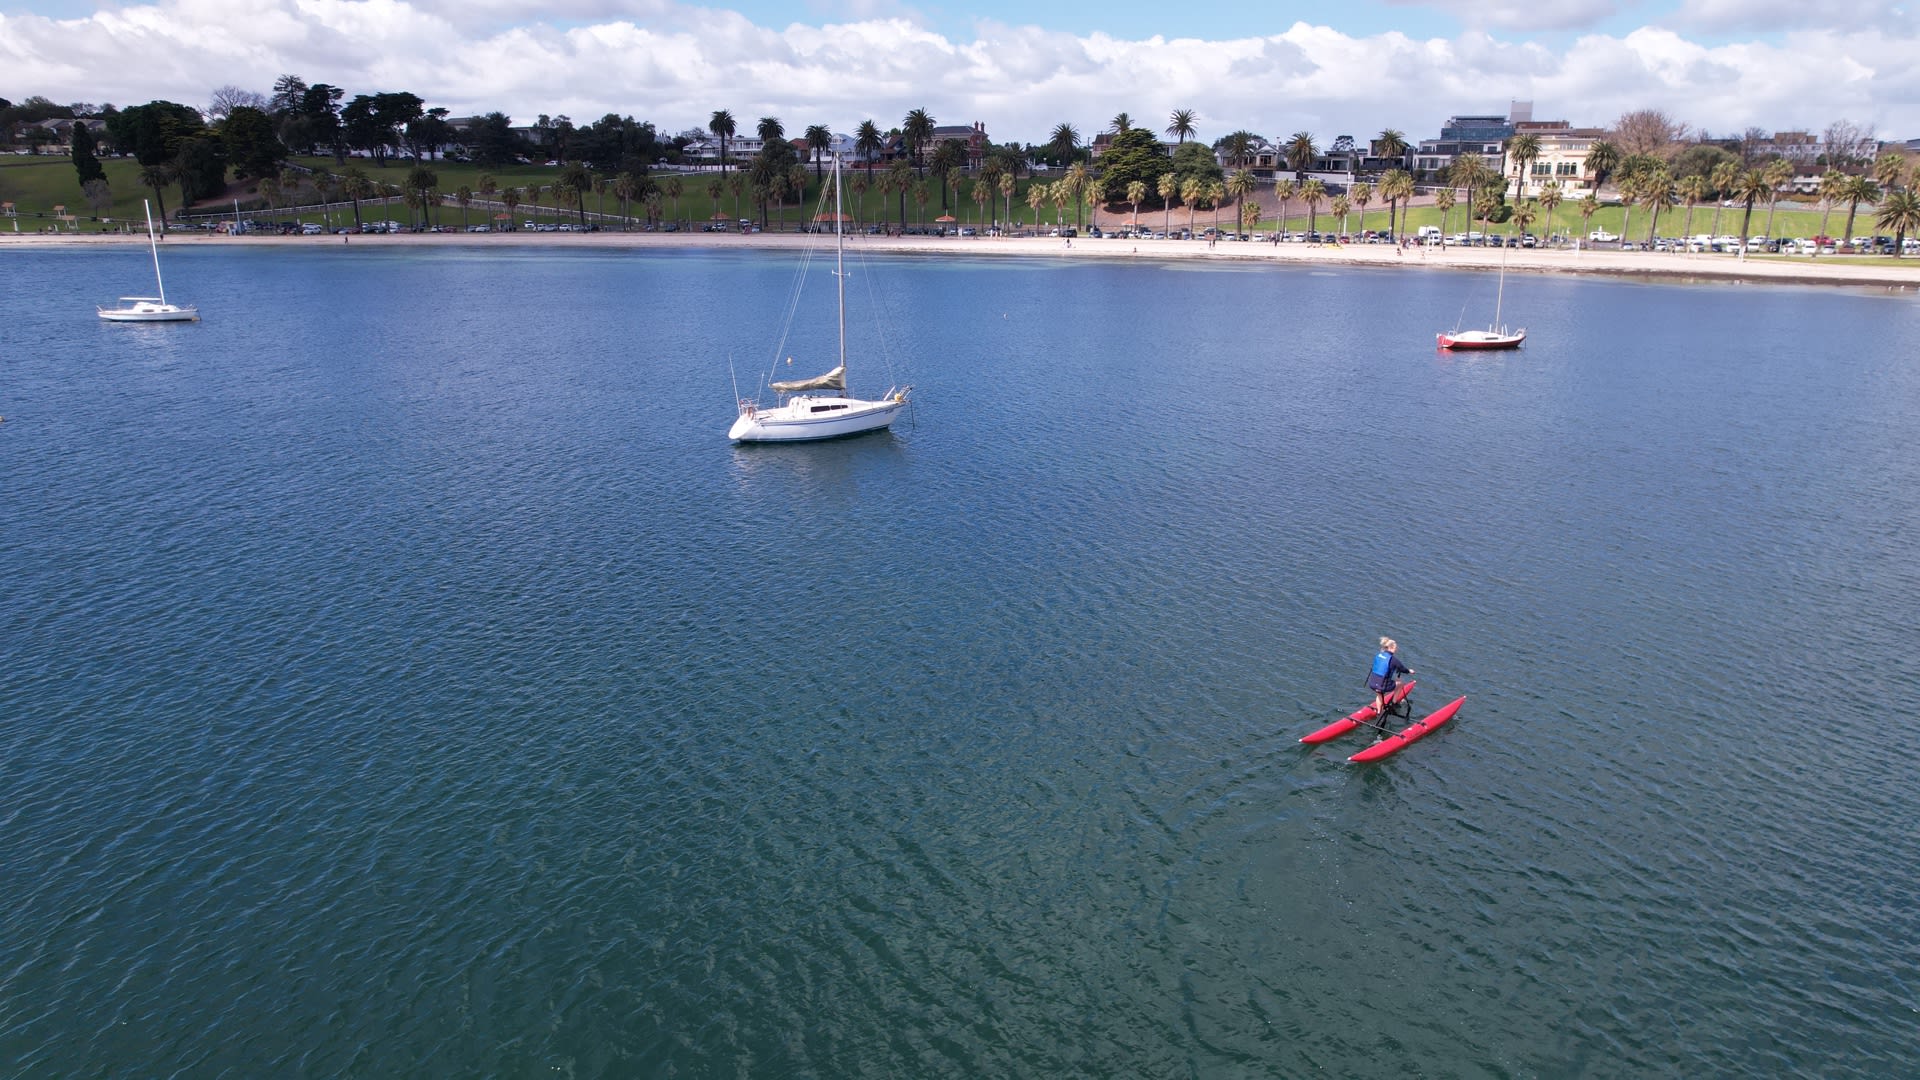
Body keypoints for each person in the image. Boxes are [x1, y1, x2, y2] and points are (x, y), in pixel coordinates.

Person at [1367, 637, 1413, 720]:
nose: (1397, 650)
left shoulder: (1378, 655)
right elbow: (1402, 669)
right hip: (1383, 685)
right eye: (1395, 648)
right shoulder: (1393, 659)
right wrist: (1409, 671)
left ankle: (1378, 711)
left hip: (1372, 684)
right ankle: (1394, 703)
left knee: (1379, 693)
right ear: (1390, 648)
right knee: (1400, 684)